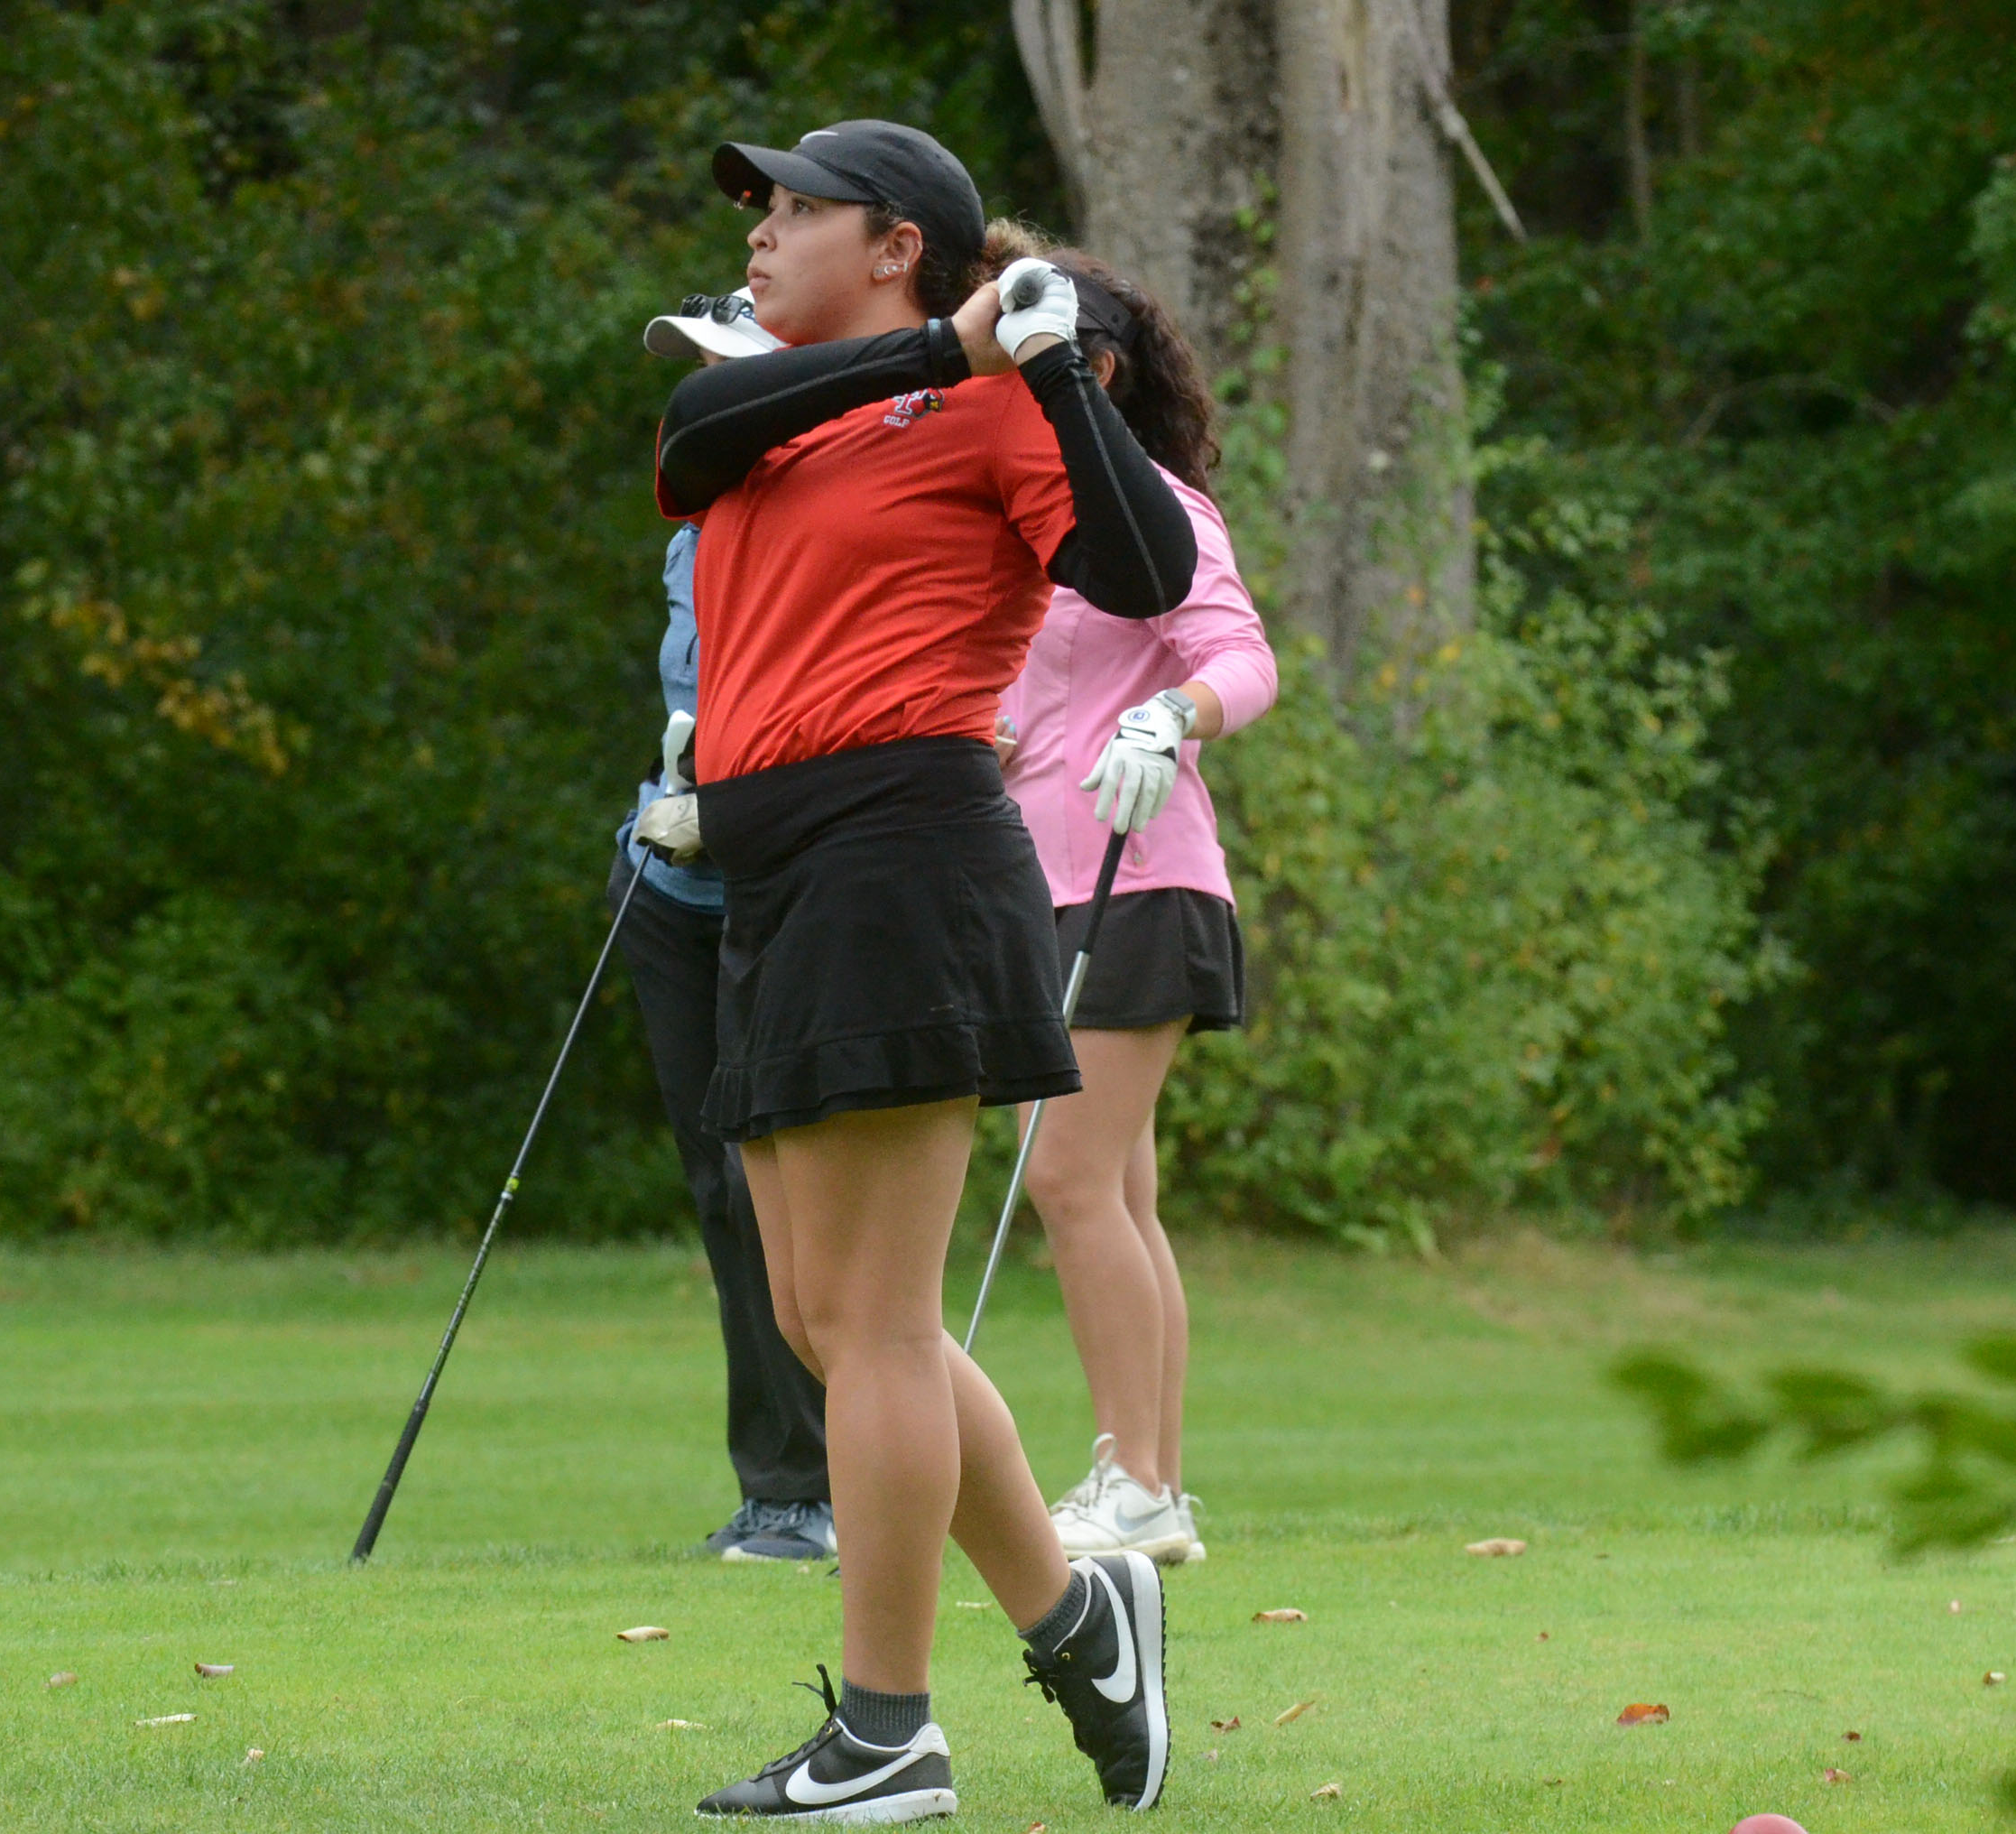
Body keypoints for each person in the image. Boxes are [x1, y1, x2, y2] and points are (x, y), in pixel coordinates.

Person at [653, 120, 1198, 1822]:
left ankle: (888, 1732)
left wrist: (1045, 380)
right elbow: (685, 438)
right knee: (823, 1321)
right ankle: (1075, 1614)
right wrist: (939, 343)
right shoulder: (773, 405)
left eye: (790, 211)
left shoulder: (990, 410)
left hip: (905, 843)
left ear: (893, 239)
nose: (756, 236)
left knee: (875, 1323)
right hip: (777, 869)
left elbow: (1149, 572)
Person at [994, 248, 1278, 1570]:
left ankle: (1134, 1483)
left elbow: (1238, 657)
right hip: (1044, 877)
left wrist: (1173, 714)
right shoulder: (1036, 514)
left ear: (1089, 372)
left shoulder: (1158, 505)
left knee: (1066, 1177)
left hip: (1139, 869)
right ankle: (1151, 1485)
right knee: (1121, 1192)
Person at [611, 287, 836, 1566]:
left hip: (787, 877)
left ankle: (828, 1487)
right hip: (668, 876)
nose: (695, 397)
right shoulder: (692, 524)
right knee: (720, 1191)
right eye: (686, 373)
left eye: (720, 370)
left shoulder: (821, 510)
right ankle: (782, 1491)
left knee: (794, 1204)